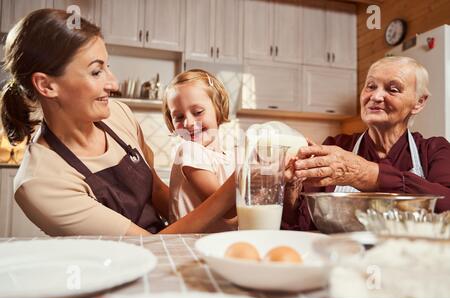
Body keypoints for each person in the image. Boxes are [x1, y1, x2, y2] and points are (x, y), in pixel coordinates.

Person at [0, 9, 235, 236]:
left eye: (107, 67)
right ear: (47, 85)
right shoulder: (40, 182)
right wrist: (233, 189)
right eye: (96, 72)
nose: (113, 83)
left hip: (167, 242)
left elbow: (157, 193)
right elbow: (145, 246)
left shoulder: (118, 115)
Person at [283, 56, 450, 231]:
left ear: (419, 102)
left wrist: (364, 173)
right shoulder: (337, 145)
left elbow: (446, 204)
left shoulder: (434, 150)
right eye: (370, 86)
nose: (376, 96)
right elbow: (305, 225)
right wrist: (291, 185)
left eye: (393, 89)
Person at [162, 69, 236, 232]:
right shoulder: (189, 151)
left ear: (217, 109)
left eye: (197, 112)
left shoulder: (229, 157)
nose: (188, 123)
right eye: (179, 117)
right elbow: (228, 210)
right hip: (187, 245)